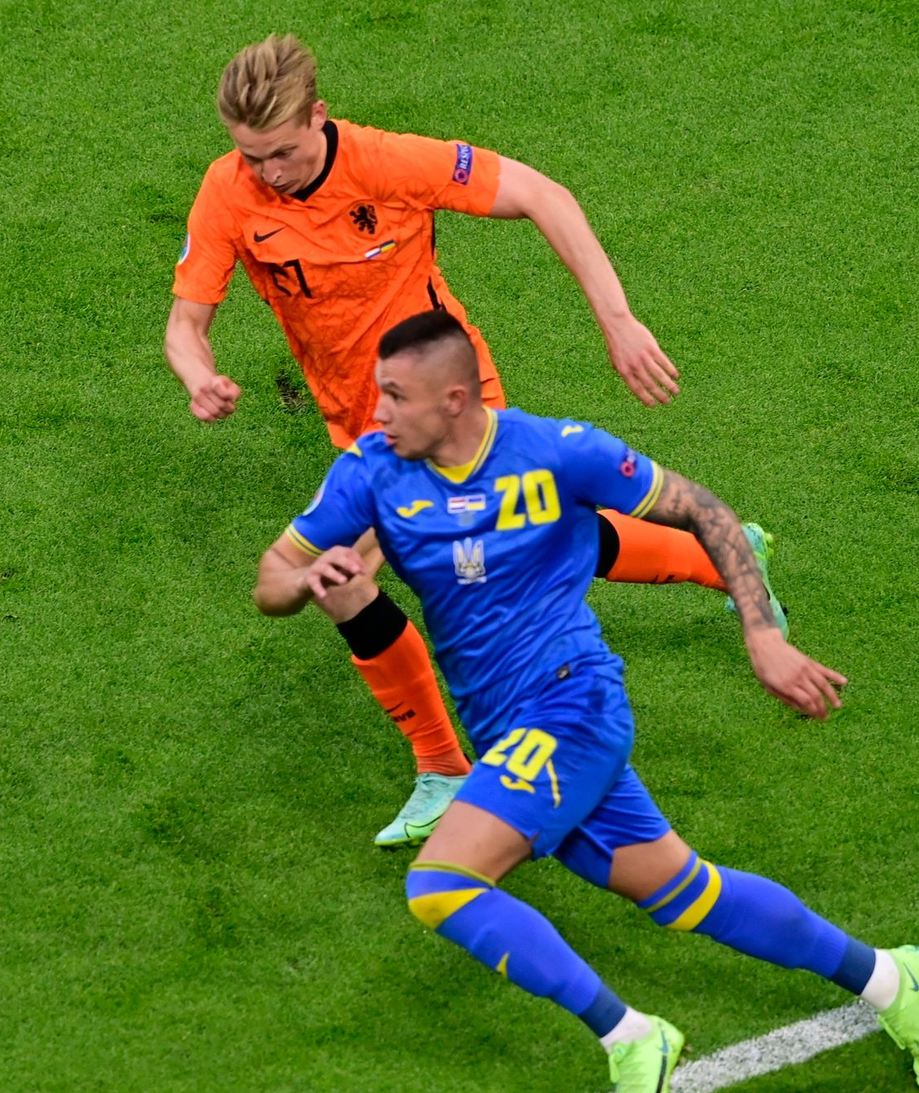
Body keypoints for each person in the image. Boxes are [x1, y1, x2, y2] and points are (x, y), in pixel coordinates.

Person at [253, 310, 918, 1093]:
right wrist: (310, 575)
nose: (376, 410)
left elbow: (705, 510)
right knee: (687, 893)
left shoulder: (558, 449)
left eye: (395, 395)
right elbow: (270, 578)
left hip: (573, 703)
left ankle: (631, 1034)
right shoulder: (372, 471)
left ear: (455, 399)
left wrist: (763, 634)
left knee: (442, 884)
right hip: (509, 729)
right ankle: (894, 980)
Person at [167, 33, 786, 847]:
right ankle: (721, 553)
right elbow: (186, 322)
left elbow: (543, 194)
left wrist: (619, 320)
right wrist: (197, 375)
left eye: (280, 153)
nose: (267, 174)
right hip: (363, 421)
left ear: (319, 117)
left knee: (384, 573)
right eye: (250, 157)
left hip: (449, 405)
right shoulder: (229, 191)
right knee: (522, 537)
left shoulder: (386, 162)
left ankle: (443, 766)